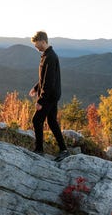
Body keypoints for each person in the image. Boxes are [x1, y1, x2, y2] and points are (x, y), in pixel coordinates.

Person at [29, 31, 70, 161]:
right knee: (52, 121)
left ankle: (39, 150)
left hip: (49, 96)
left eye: (36, 44)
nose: (35, 46)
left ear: (42, 41)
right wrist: (36, 88)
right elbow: (44, 77)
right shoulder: (46, 55)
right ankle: (64, 150)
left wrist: (40, 100)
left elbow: (49, 81)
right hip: (52, 95)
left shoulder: (50, 57)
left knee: (37, 120)